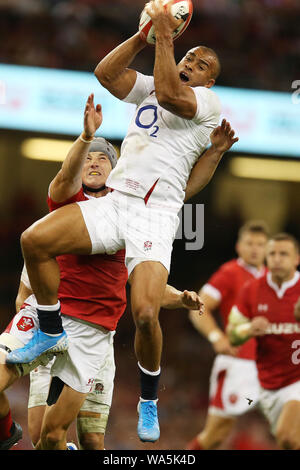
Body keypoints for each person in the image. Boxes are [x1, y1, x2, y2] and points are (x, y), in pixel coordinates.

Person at [6, 0, 227, 443]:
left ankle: (148, 400)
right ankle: (50, 329)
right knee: (35, 239)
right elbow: (105, 75)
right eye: (188, 57)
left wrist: (165, 35)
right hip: (118, 200)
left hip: (156, 216)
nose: (191, 64)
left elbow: (170, 95)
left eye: (201, 64)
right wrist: (144, 36)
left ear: (210, 80)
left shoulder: (207, 102)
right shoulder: (153, 83)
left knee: (145, 313)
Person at [186, 220, 269, 450]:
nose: (255, 249)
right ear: (239, 246)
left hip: (271, 366)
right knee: (215, 436)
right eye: (250, 243)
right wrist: (216, 337)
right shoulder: (230, 273)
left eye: (260, 244)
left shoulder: (274, 279)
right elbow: (198, 309)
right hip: (239, 365)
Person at [227, 233, 300, 450]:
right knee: (287, 441)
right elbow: (232, 334)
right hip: (268, 384)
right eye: (272, 254)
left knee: (287, 436)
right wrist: (249, 329)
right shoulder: (251, 290)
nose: (277, 258)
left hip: (297, 379)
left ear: (296, 258)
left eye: (284, 254)